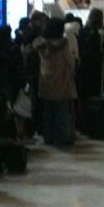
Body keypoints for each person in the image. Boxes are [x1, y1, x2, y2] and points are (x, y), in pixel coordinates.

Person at [35, 18, 77, 146]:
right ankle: (61, 137)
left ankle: (48, 137)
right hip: (60, 81)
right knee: (61, 112)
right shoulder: (63, 45)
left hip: (45, 80)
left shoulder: (40, 44)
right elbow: (70, 62)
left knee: (47, 112)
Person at [78, 9, 104, 103]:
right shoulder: (97, 34)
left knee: (84, 94)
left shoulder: (82, 30)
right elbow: (97, 52)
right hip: (94, 67)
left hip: (83, 66)